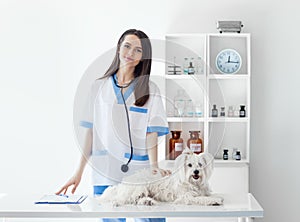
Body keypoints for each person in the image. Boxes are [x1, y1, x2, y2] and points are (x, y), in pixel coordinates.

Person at [56, 29, 170, 222]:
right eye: (127, 46)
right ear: (118, 48)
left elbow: (151, 133)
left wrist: (154, 167)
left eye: (138, 50)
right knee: (110, 217)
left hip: (139, 172)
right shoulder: (97, 87)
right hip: (106, 169)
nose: (130, 54)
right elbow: (90, 133)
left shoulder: (151, 90)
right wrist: (78, 173)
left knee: (149, 217)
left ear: (144, 57)